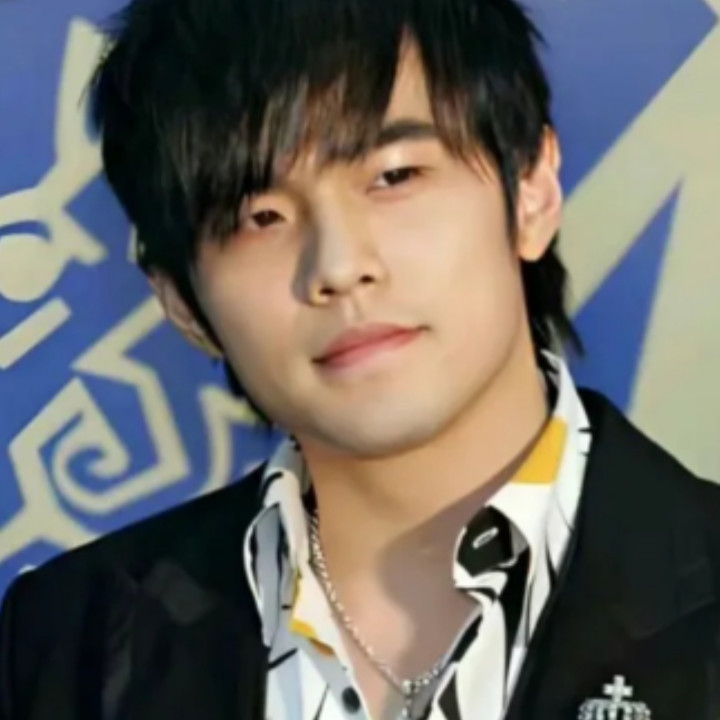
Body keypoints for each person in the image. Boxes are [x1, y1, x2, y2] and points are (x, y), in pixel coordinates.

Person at [1, 0, 719, 718]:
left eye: (394, 177)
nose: (340, 267)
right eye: (261, 218)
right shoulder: (67, 644)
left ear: (531, 188)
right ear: (183, 304)